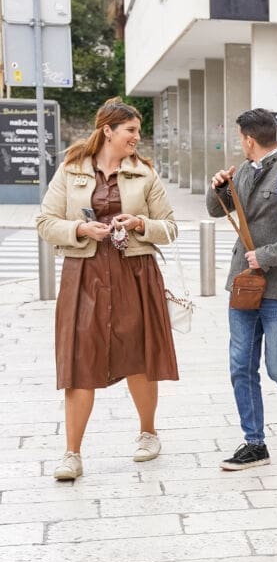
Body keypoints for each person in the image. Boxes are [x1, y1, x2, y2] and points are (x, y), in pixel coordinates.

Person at [36, 98, 179, 481]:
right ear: (108, 130)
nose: (137, 137)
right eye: (130, 130)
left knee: (139, 355)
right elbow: (45, 221)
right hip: (84, 273)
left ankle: (148, 433)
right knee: (80, 359)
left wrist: (140, 224)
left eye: (138, 131)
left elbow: (170, 227)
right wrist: (80, 229)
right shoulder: (71, 170)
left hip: (135, 273)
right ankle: (72, 454)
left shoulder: (144, 173)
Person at [207, 109, 277, 471]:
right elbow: (217, 210)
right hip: (243, 284)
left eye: (241, 137)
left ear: (248, 139)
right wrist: (220, 187)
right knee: (241, 366)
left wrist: (265, 256)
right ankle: (254, 442)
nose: (241, 143)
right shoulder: (241, 171)